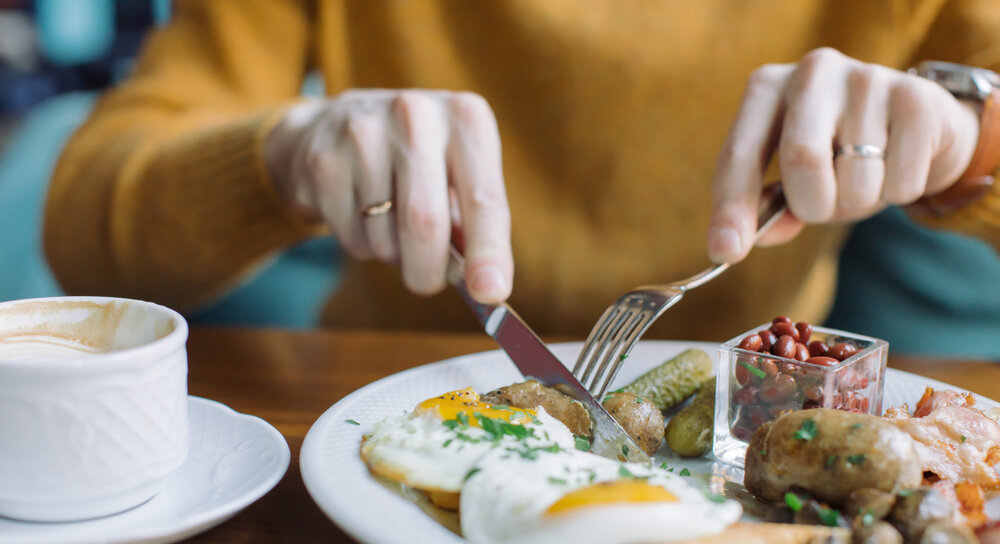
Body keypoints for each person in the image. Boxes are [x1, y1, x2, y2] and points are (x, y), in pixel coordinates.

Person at [43, 0, 1000, 343]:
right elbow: (87, 230)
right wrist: (283, 156)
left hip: (745, 473)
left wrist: (968, 141)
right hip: (390, 457)